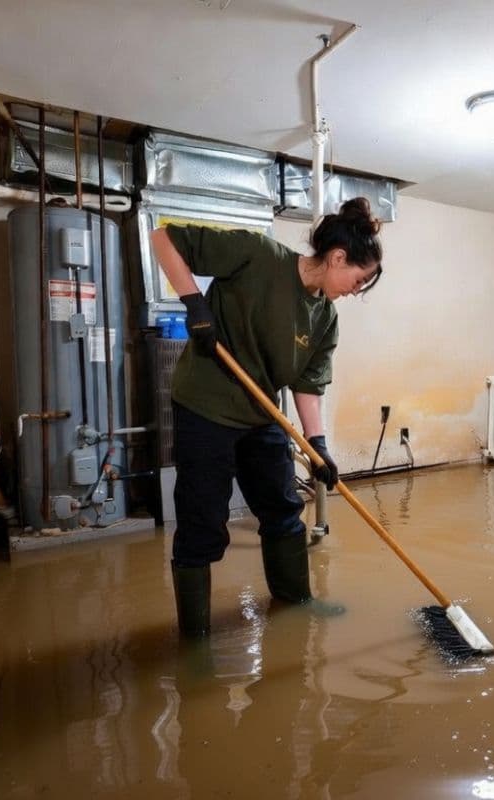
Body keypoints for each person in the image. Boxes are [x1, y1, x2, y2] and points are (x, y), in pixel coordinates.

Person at [151, 198, 384, 636]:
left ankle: (296, 604)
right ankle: (195, 639)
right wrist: (194, 304)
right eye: (358, 279)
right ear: (338, 258)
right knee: (202, 520)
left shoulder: (324, 318)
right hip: (206, 406)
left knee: (283, 507)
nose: (356, 290)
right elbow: (164, 238)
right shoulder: (258, 255)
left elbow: (308, 386)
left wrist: (317, 446)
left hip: (261, 413)